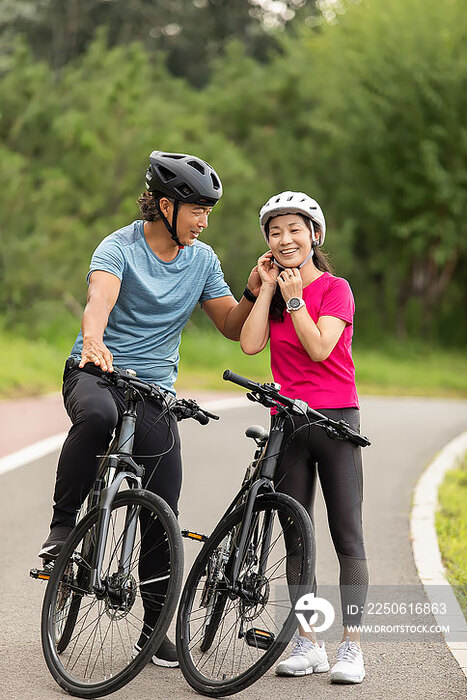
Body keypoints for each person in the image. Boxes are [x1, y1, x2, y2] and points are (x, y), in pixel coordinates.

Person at [38, 150, 261, 667]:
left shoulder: (202, 261)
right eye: (197, 210)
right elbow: (100, 301)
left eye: (210, 211)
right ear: (165, 205)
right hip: (96, 373)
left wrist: (252, 292)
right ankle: (61, 528)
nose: (205, 221)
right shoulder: (118, 246)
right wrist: (93, 341)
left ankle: (153, 628)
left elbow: (230, 325)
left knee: (164, 506)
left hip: (154, 391)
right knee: (97, 418)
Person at [240, 191, 368, 684]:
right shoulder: (275, 293)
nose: (285, 239)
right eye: (275, 232)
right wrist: (267, 290)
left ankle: (351, 648)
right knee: (296, 537)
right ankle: (309, 641)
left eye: (295, 229)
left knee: (346, 535)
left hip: (335, 419)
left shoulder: (336, 289)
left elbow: (318, 348)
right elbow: (251, 344)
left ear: (315, 236)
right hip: (287, 421)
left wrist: (294, 298)